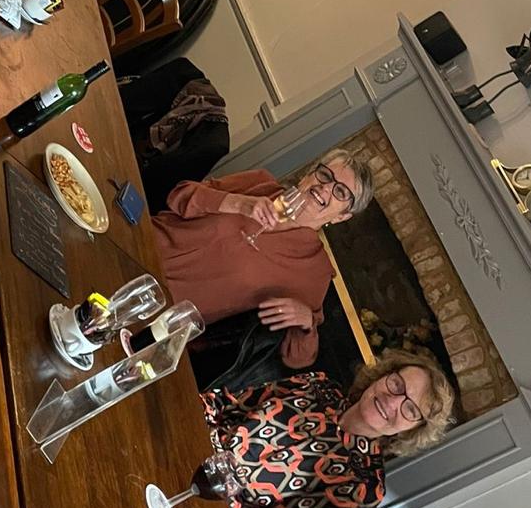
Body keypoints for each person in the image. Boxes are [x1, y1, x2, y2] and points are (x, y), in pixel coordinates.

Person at [203, 351, 455, 508]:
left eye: (410, 410)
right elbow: (226, 403)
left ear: (413, 430)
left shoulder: (363, 485)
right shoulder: (319, 385)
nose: (393, 401)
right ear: (382, 375)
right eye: (397, 384)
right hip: (197, 443)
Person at [153, 152, 374, 378]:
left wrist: (307, 322)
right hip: (143, 243)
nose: (325, 187)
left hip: (161, 313)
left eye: (340, 192)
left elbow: (297, 358)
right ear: (308, 175)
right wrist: (237, 203)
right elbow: (179, 195)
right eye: (325, 175)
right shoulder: (259, 183)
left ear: (342, 217)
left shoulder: (314, 270)